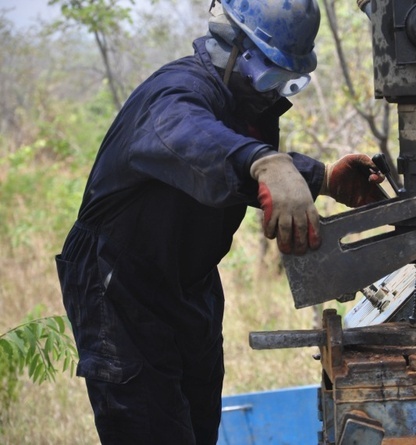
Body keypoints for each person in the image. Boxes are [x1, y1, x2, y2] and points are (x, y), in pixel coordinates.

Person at [54, 0, 385, 443]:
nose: (275, 91)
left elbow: (233, 158)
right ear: (230, 45)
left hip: (188, 284)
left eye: (291, 81)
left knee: (197, 422)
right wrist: (266, 162)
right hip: (120, 283)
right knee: (151, 428)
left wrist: (322, 178)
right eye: (271, 75)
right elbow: (194, 139)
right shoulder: (176, 93)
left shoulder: (247, 100)